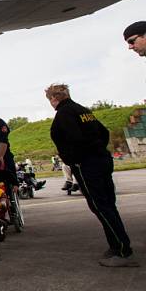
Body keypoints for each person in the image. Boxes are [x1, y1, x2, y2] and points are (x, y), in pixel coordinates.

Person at [46, 83, 138, 267]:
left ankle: (122, 250)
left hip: (86, 164)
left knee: (100, 206)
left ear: (54, 99)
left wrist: (74, 159)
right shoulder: (82, 110)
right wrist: (98, 149)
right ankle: (116, 245)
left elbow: (73, 139)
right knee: (108, 205)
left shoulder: (64, 114)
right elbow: (104, 132)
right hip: (101, 159)